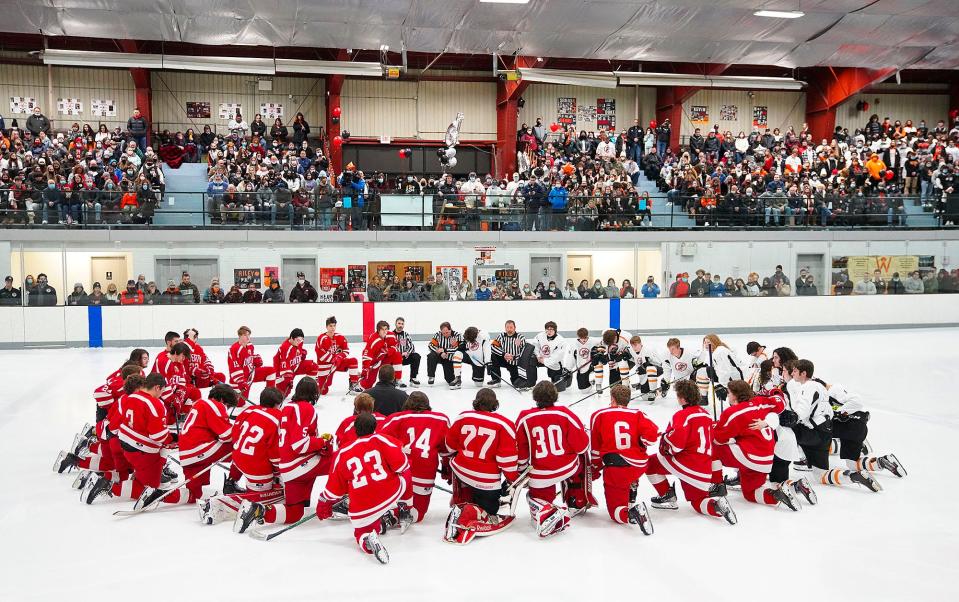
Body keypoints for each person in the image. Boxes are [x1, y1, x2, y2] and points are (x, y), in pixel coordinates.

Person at [234, 377, 336, 533]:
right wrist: (322, 442)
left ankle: (259, 511)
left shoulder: (287, 408)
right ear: (313, 393)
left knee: (295, 512)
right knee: (342, 462)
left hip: (288, 469)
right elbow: (299, 444)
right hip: (299, 465)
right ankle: (348, 501)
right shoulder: (306, 408)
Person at [314, 413, 413, 564]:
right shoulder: (382, 439)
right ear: (375, 427)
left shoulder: (342, 453)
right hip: (390, 493)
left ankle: (368, 540)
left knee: (360, 533)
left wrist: (324, 501)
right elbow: (402, 465)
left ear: (355, 429)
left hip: (362, 507)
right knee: (406, 472)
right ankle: (402, 509)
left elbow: (334, 490)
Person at [779, 359, 881, 493]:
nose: (792, 373)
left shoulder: (808, 387)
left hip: (814, 433)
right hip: (824, 432)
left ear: (804, 373)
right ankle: (853, 476)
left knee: (783, 432)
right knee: (821, 475)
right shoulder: (819, 387)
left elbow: (803, 410)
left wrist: (792, 417)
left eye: (795, 371)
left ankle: (775, 474)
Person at [644, 380, 738, 524]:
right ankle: (716, 506)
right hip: (703, 469)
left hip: (687, 464)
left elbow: (676, 444)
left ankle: (667, 495)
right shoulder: (706, 414)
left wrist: (665, 442)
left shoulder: (682, 415)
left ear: (682, 398)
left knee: (650, 463)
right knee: (698, 501)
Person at [136, 384, 240, 511]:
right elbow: (226, 436)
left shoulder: (199, 404)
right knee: (242, 446)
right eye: (228, 406)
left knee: (194, 495)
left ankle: (157, 494)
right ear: (223, 400)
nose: (227, 409)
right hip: (200, 450)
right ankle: (231, 482)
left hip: (187, 455)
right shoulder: (215, 405)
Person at [198, 387, 287, 525]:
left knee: (242, 452)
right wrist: (278, 472)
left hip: (238, 460)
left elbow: (236, 435)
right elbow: (274, 452)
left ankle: (231, 481)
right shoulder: (277, 418)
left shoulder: (248, 410)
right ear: (277, 404)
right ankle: (216, 504)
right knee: (257, 502)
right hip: (257, 468)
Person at [81, 373, 172, 504]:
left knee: (125, 473)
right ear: (157, 387)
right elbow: (157, 435)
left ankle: (103, 476)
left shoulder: (129, 397)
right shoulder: (155, 404)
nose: (162, 394)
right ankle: (107, 485)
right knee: (149, 490)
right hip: (141, 451)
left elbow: (114, 428)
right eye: (162, 390)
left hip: (124, 446)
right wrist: (172, 439)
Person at [444, 388, 520, 544]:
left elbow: (449, 446)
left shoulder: (463, 416)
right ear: (495, 404)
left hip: (461, 471)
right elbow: (507, 459)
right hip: (486, 481)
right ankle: (464, 514)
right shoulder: (504, 424)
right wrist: (513, 479)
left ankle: (463, 502)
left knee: (471, 493)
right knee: (490, 510)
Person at [710, 381, 800, 511]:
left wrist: (717, 428)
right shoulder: (763, 402)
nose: (727, 395)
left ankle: (717, 484)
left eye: (729, 392)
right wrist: (774, 392)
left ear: (735, 395)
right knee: (750, 493)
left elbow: (718, 440)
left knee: (712, 447)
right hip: (766, 460)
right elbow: (780, 401)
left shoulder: (733, 412)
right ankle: (776, 495)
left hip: (750, 457)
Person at [515, 381, 589, 538]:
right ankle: (576, 500)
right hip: (567, 468)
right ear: (555, 396)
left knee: (536, 514)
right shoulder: (565, 413)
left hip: (541, 475)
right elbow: (582, 446)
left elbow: (520, 451)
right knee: (582, 458)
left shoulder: (524, 417)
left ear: (535, 397)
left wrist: (521, 471)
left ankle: (544, 509)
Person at [589, 384, 658, 531]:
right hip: (638, 465)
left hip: (616, 469)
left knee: (616, 513)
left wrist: (595, 469)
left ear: (612, 398)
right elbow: (651, 439)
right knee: (632, 462)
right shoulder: (639, 413)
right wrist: (641, 440)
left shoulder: (599, 414)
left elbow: (595, 449)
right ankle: (631, 490)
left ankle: (633, 513)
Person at [382, 392, 451, 522]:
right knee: (417, 514)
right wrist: (447, 470)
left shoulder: (395, 418)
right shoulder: (441, 419)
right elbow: (447, 450)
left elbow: (378, 443)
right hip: (424, 473)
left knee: (393, 502)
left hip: (400, 472)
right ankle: (393, 515)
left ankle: (387, 513)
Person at [825, 382, 906, 478]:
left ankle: (811, 458)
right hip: (858, 429)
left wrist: (840, 412)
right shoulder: (824, 392)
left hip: (850, 426)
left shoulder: (831, 391)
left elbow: (856, 401)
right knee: (852, 465)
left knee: (816, 433)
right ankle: (882, 462)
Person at [314, 316, 361, 395]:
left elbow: (346, 350)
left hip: (337, 363)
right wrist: (333, 359)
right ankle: (318, 380)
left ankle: (354, 383)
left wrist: (339, 357)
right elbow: (321, 356)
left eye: (334, 326)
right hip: (325, 366)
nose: (333, 328)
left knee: (353, 361)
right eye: (330, 326)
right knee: (323, 391)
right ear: (326, 327)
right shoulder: (322, 338)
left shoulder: (340, 337)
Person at [227, 326, 276, 400]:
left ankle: (269, 397)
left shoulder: (250, 346)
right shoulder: (234, 349)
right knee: (239, 403)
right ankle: (230, 394)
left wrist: (255, 359)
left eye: (248, 335)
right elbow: (234, 368)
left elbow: (249, 358)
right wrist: (240, 381)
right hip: (241, 381)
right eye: (245, 335)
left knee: (271, 371)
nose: (247, 337)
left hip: (251, 375)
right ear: (240, 336)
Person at [273, 328, 320, 397]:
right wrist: (288, 379)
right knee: (282, 395)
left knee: (313, 366)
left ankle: (310, 389)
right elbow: (285, 367)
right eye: (298, 340)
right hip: (282, 372)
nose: (300, 342)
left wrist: (302, 352)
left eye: (301, 340)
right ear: (291, 338)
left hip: (296, 366)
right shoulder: (285, 348)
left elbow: (297, 350)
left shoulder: (298, 342)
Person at [488, 320, 533, 389]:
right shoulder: (501, 336)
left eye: (511, 327)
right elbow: (493, 347)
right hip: (504, 359)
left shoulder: (520, 337)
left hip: (514, 362)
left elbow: (524, 352)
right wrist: (504, 354)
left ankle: (516, 380)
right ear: (505, 328)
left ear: (515, 328)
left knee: (515, 383)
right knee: (493, 356)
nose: (509, 329)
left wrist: (514, 357)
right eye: (507, 327)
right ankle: (496, 379)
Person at [359, 320, 403, 389]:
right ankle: (359, 383)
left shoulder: (391, 335)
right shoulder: (374, 340)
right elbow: (366, 355)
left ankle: (397, 380)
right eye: (382, 329)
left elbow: (395, 346)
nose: (384, 331)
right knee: (367, 384)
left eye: (386, 329)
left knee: (397, 355)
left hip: (384, 358)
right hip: (374, 362)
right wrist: (365, 369)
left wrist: (387, 351)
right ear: (378, 330)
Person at [531, 321, 571, 391]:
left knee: (558, 388)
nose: (549, 331)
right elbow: (535, 345)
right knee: (530, 360)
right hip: (540, 358)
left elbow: (557, 357)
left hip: (554, 363)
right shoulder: (540, 336)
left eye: (551, 329)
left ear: (555, 330)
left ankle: (566, 374)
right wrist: (537, 355)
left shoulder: (561, 341)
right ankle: (530, 382)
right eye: (547, 329)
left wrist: (545, 361)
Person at [591, 328, 633, 393]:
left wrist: (624, 354)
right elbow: (601, 349)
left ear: (616, 337)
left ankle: (626, 385)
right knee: (614, 388)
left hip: (626, 360)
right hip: (614, 361)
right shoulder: (606, 337)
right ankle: (598, 384)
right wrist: (599, 355)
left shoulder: (627, 338)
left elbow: (633, 355)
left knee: (622, 362)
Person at [426, 321, 463, 389]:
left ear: (450, 329)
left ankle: (455, 377)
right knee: (431, 355)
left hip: (449, 357)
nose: (445, 334)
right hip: (439, 356)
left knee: (449, 379)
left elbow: (459, 349)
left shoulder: (457, 335)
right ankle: (431, 376)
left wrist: (445, 350)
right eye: (443, 333)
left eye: (447, 332)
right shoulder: (438, 334)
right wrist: (440, 352)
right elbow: (430, 345)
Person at [393, 317, 421, 386]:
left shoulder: (406, 334)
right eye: (399, 323)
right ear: (395, 324)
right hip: (394, 358)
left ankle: (413, 378)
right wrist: (398, 355)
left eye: (402, 324)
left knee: (416, 356)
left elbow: (411, 346)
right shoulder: (391, 334)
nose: (400, 325)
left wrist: (407, 353)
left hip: (404, 357)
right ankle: (394, 379)